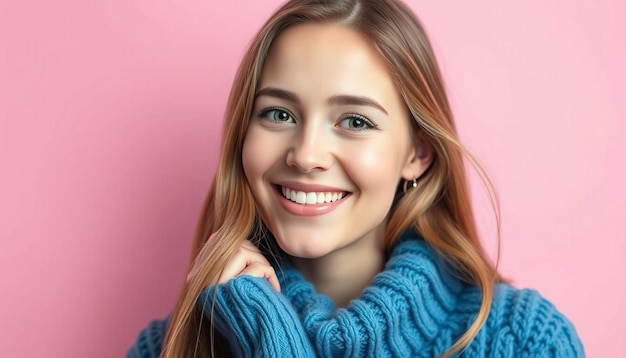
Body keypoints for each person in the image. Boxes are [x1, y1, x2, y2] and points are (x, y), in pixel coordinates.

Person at [128, 0, 584, 356]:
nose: (306, 155)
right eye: (279, 113)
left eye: (356, 122)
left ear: (417, 153)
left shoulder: (524, 341)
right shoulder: (167, 348)